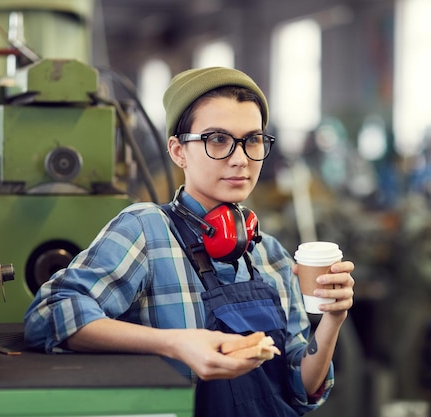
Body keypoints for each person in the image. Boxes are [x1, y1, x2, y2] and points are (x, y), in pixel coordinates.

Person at [24, 66, 355, 417]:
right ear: (179, 151)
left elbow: (301, 389)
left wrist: (333, 318)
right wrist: (176, 344)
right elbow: (49, 313)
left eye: (253, 140)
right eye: (217, 140)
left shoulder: (269, 254)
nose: (240, 159)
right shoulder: (146, 232)